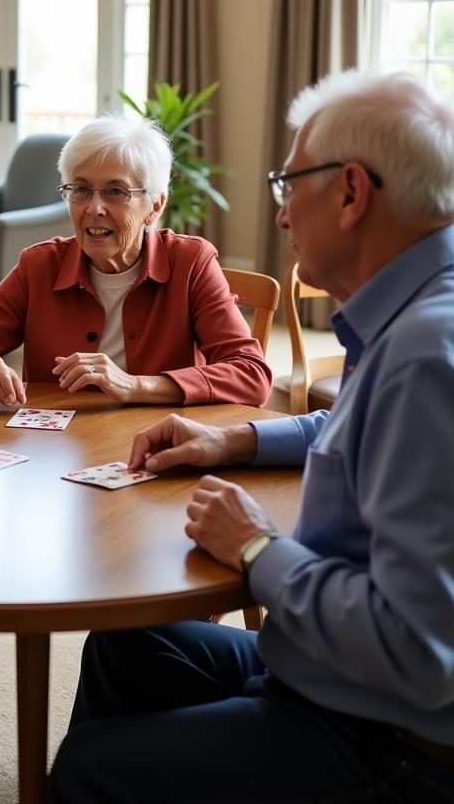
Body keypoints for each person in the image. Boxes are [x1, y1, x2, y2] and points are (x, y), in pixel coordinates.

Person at [48, 70, 454, 803]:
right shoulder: (415, 316)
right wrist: (232, 441)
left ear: (353, 192)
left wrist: (258, 548)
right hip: (323, 674)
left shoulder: (426, 356)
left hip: (385, 739)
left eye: (288, 184)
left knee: (88, 767)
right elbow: (352, 426)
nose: (282, 217)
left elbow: (418, 652)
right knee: (127, 645)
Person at [0, 114, 271, 409]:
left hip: (158, 446)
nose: (94, 208)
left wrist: (135, 385)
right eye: (81, 189)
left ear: (155, 205)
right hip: (54, 454)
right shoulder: (39, 266)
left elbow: (251, 374)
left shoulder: (190, 262)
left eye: (116, 192)